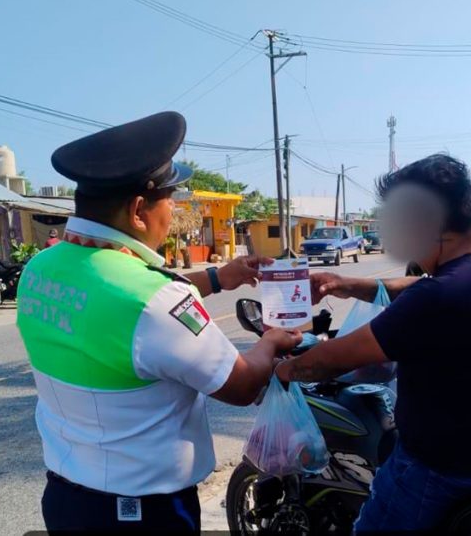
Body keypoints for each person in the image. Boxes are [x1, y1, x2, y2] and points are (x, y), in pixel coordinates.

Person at [16, 111, 301, 533]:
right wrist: (270, 342)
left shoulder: (40, 268)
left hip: (66, 498)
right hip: (142, 514)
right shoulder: (155, 301)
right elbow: (242, 386)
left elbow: (124, 302)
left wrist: (220, 277)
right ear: (137, 210)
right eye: (170, 200)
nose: (172, 212)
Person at [275, 154, 471, 532]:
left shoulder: (440, 298)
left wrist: (279, 370)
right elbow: (420, 287)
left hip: (435, 471)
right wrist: (350, 285)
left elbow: (333, 359)